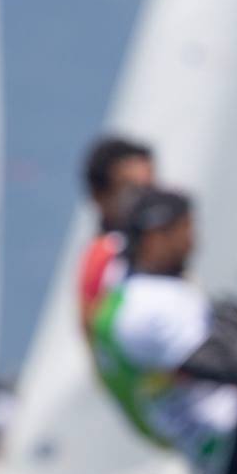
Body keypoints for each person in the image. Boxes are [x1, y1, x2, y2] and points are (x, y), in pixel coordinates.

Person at [89, 186, 237, 474]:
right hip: (232, 437)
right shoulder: (146, 306)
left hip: (227, 437)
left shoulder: (144, 291)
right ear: (155, 237)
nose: (194, 241)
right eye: (185, 230)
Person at [77, 136, 155, 329]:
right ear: (99, 195)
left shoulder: (161, 255)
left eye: (151, 189)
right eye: (134, 191)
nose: (149, 201)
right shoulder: (106, 257)